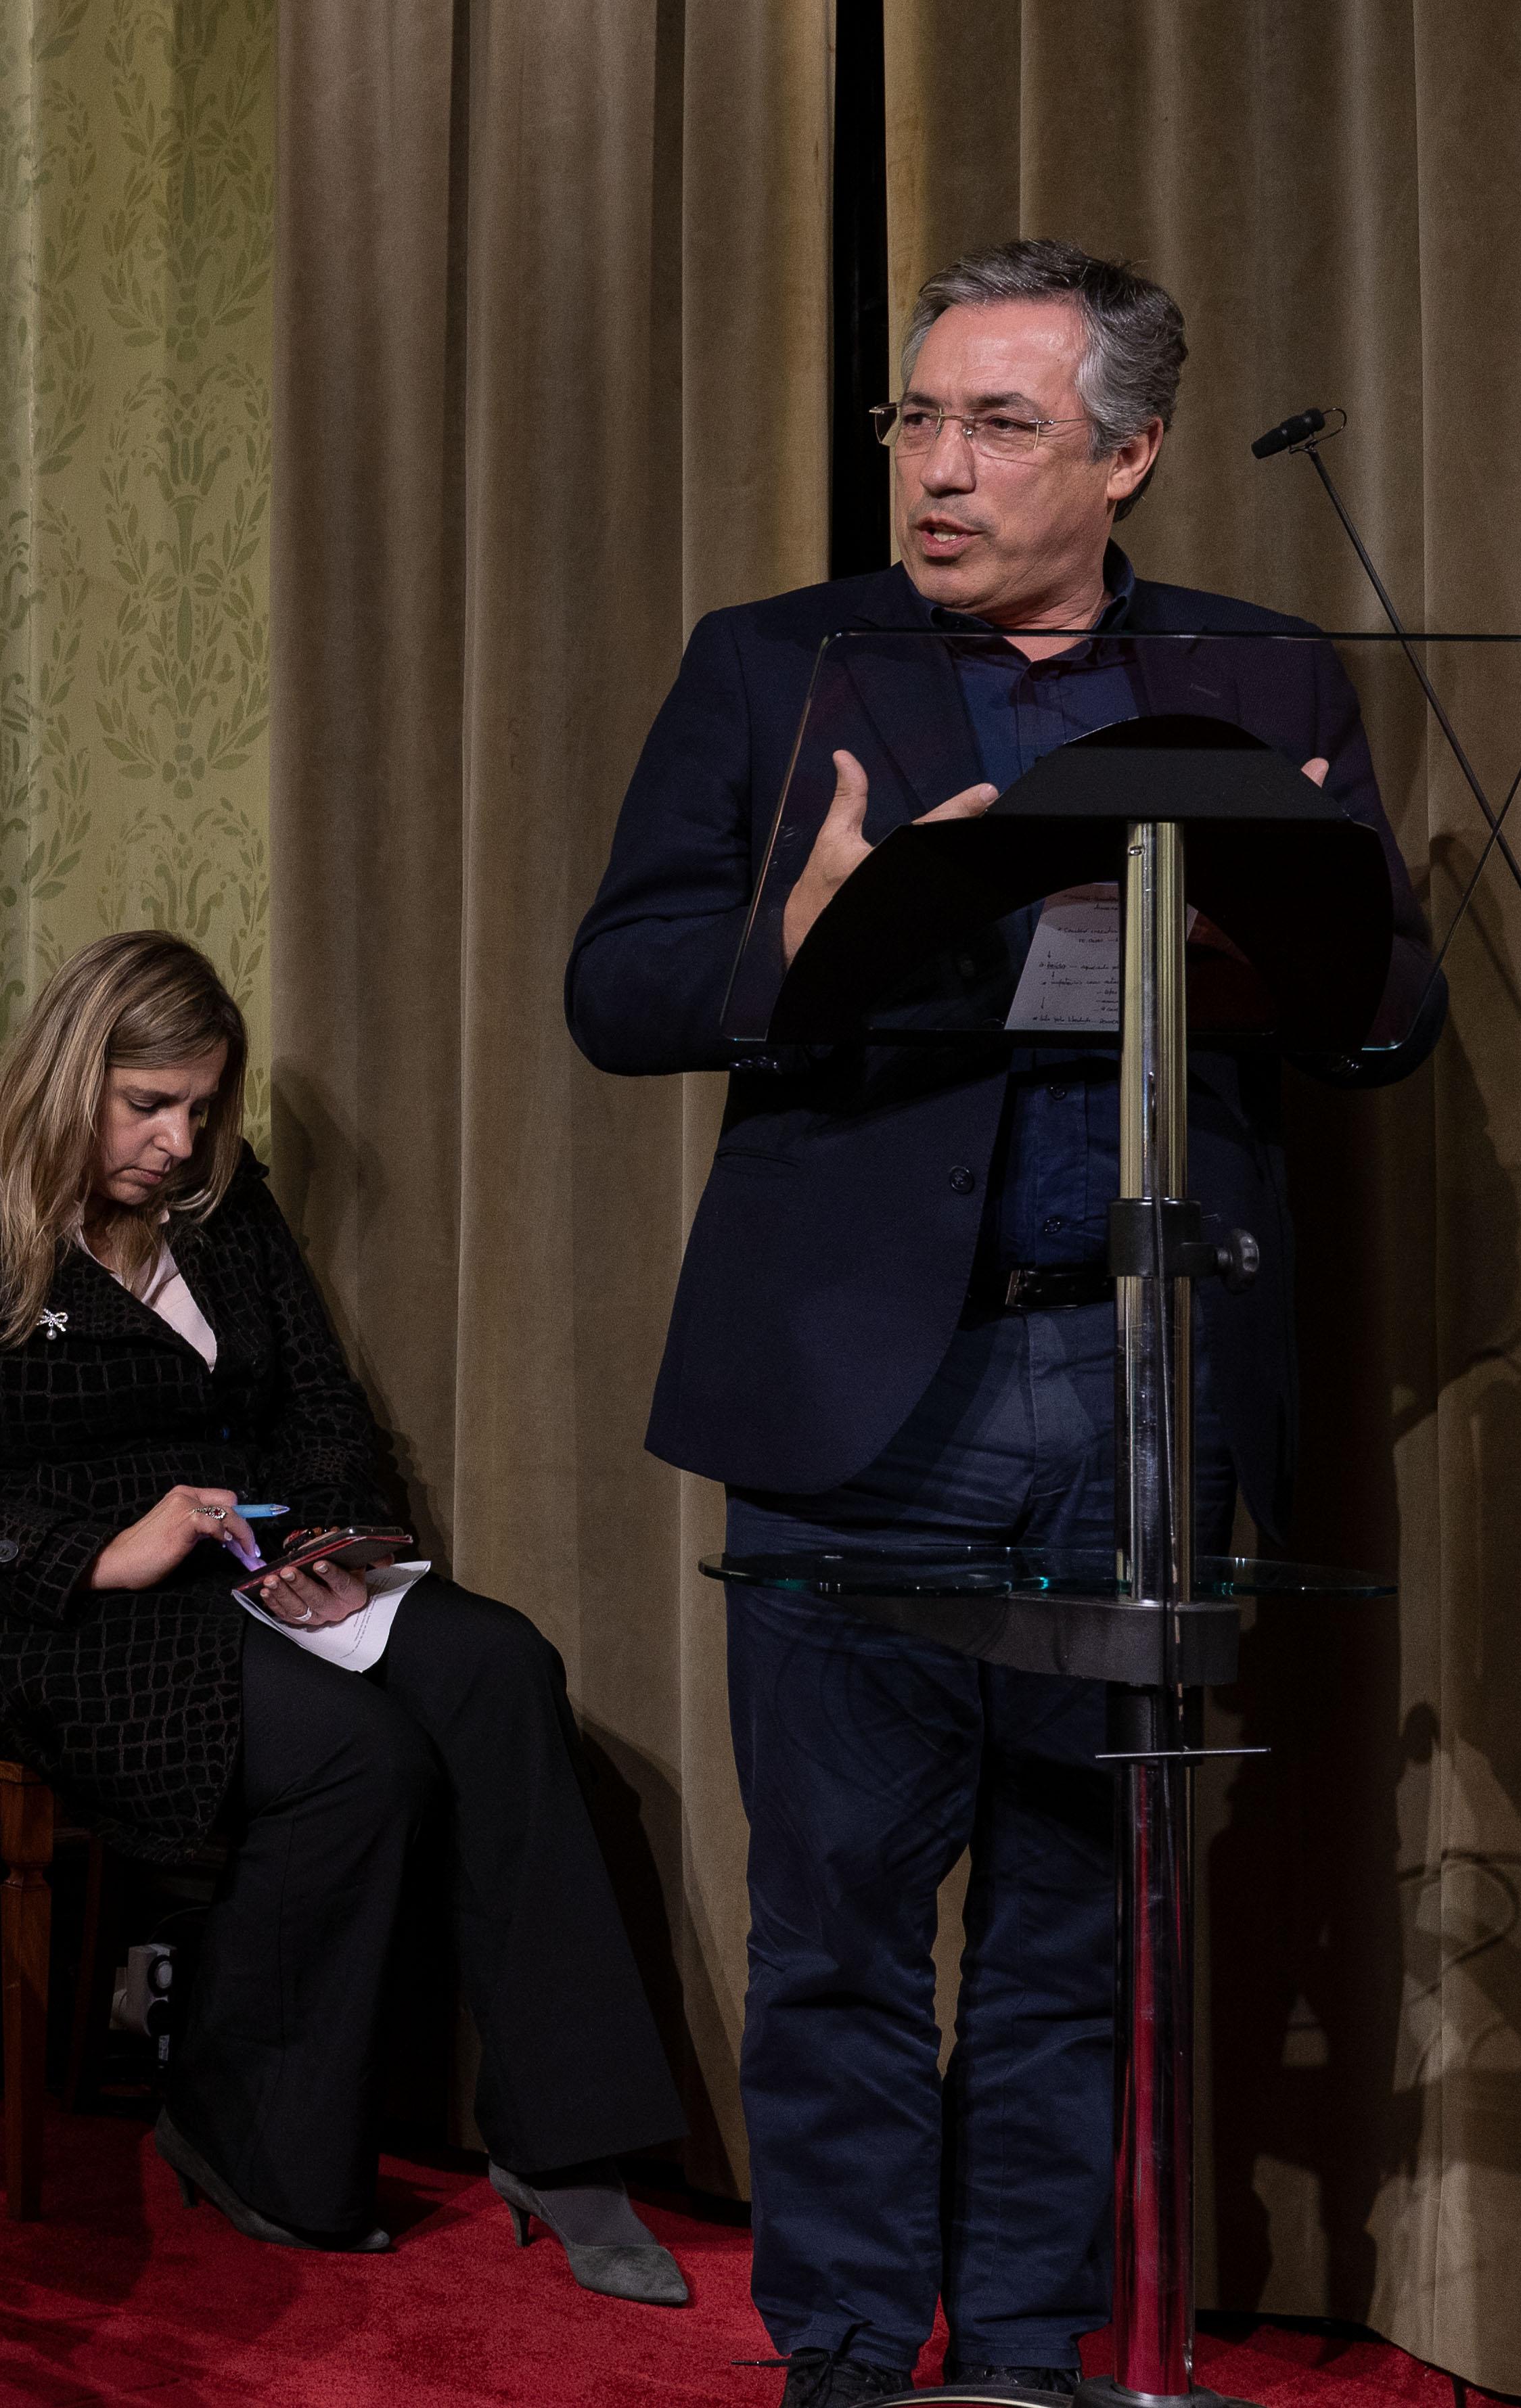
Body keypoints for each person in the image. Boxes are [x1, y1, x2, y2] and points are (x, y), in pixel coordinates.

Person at [568, 240, 1439, 2408]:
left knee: (1081, 1922)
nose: (935, 472)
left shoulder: (1258, 675)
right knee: (841, 1919)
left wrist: (1268, 948)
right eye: (917, 421)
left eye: (997, 427)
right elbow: (618, 984)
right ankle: (857, 2354)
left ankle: (1032, 2352)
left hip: (1141, 1381)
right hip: (865, 1390)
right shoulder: (774, 666)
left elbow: (1390, 1012)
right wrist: (795, 940)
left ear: (1127, 457)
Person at [0, 929, 687, 2293]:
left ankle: (567, 2139)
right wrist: (99, 1553)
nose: (178, 1141)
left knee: (499, 1665)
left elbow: (319, 1409)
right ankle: (245, 2126)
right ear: (68, 1075)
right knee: (361, 1758)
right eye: (148, 1104)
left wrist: (333, 1543)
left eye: (199, 1107)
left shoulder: (222, 1210)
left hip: (253, 1568)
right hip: (56, 1622)